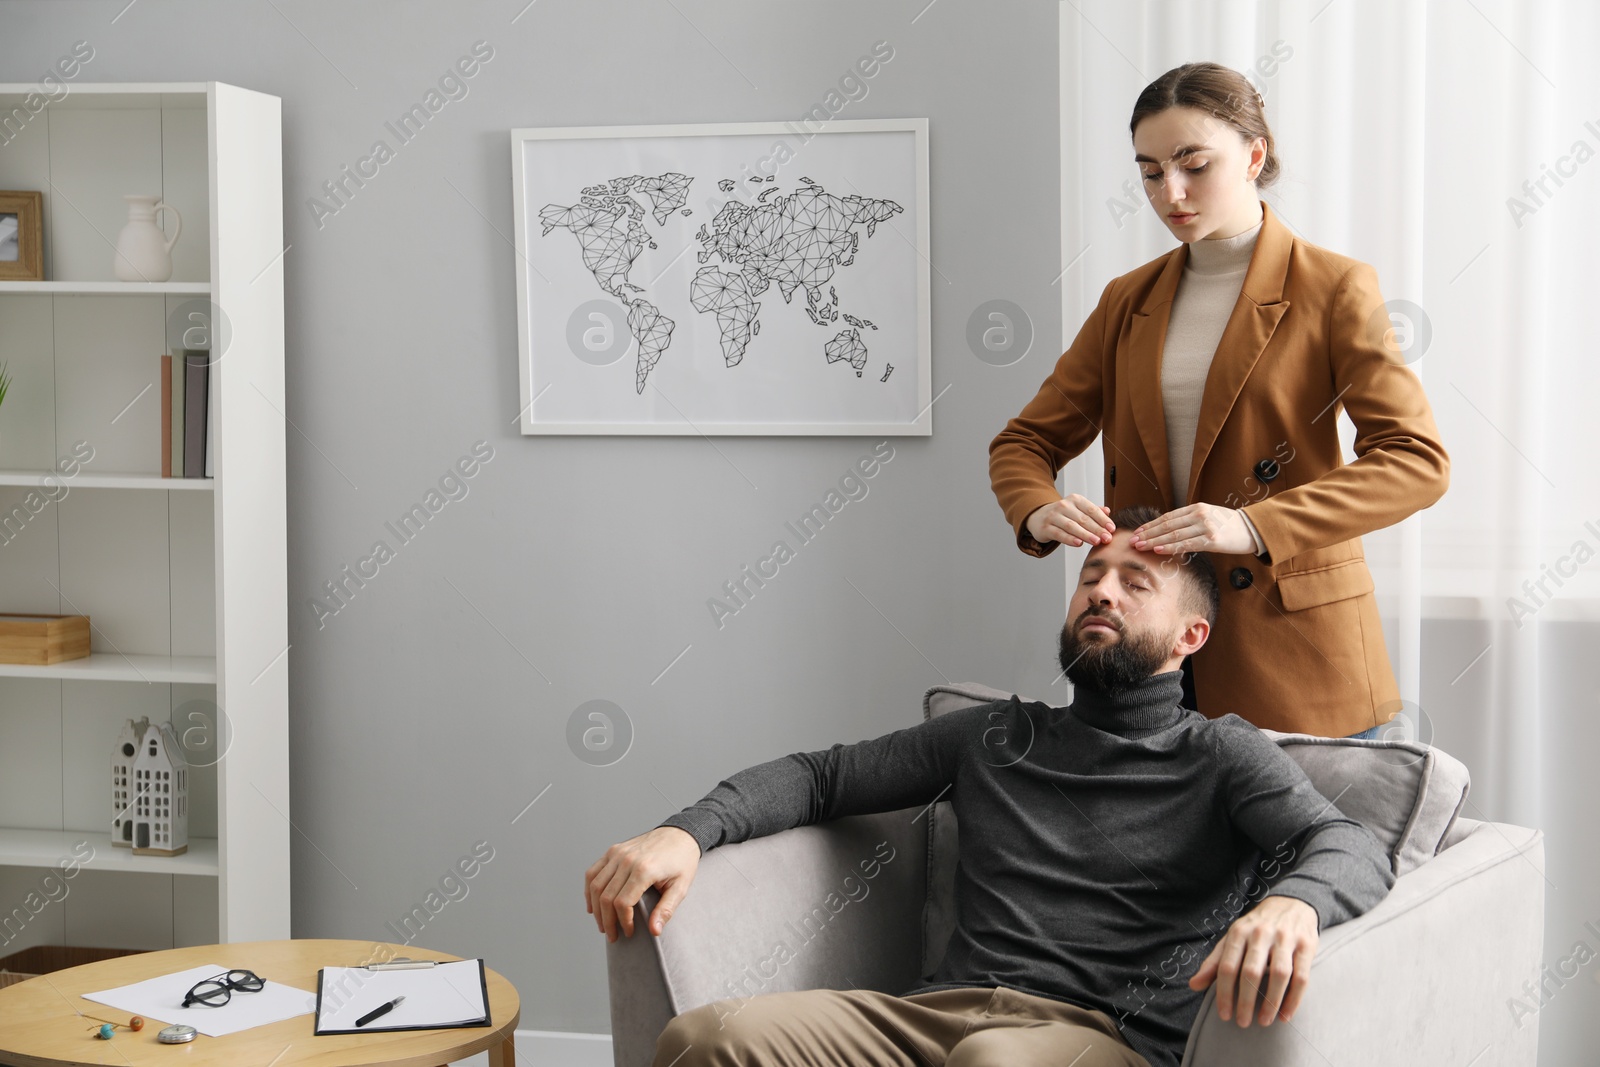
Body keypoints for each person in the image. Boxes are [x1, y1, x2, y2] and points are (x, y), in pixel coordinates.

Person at [583, 505, 1395, 1067]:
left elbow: (1347, 842)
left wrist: (1295, 902)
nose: (1101, 591)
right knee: (707, 1038)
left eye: (1134, 583)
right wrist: (687, 830)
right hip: (936, 1015)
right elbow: (821, 776)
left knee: (993, 1059)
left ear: (1191, 636)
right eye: (1091, 577)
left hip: (1094, 1039)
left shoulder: (1220, 752)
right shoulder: (996, 735)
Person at [989, 61, 1449, 739]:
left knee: (1315, 844)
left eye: (1193, 164)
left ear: (1254, 156)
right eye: (1149, 172)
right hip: (1153, 655)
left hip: (1296, 653)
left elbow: (1416, 461)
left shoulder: (1334, 287)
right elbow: (1024, 442)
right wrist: (1038, 511)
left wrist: (1255, 525)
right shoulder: (1128, 298)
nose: (1169, 191)